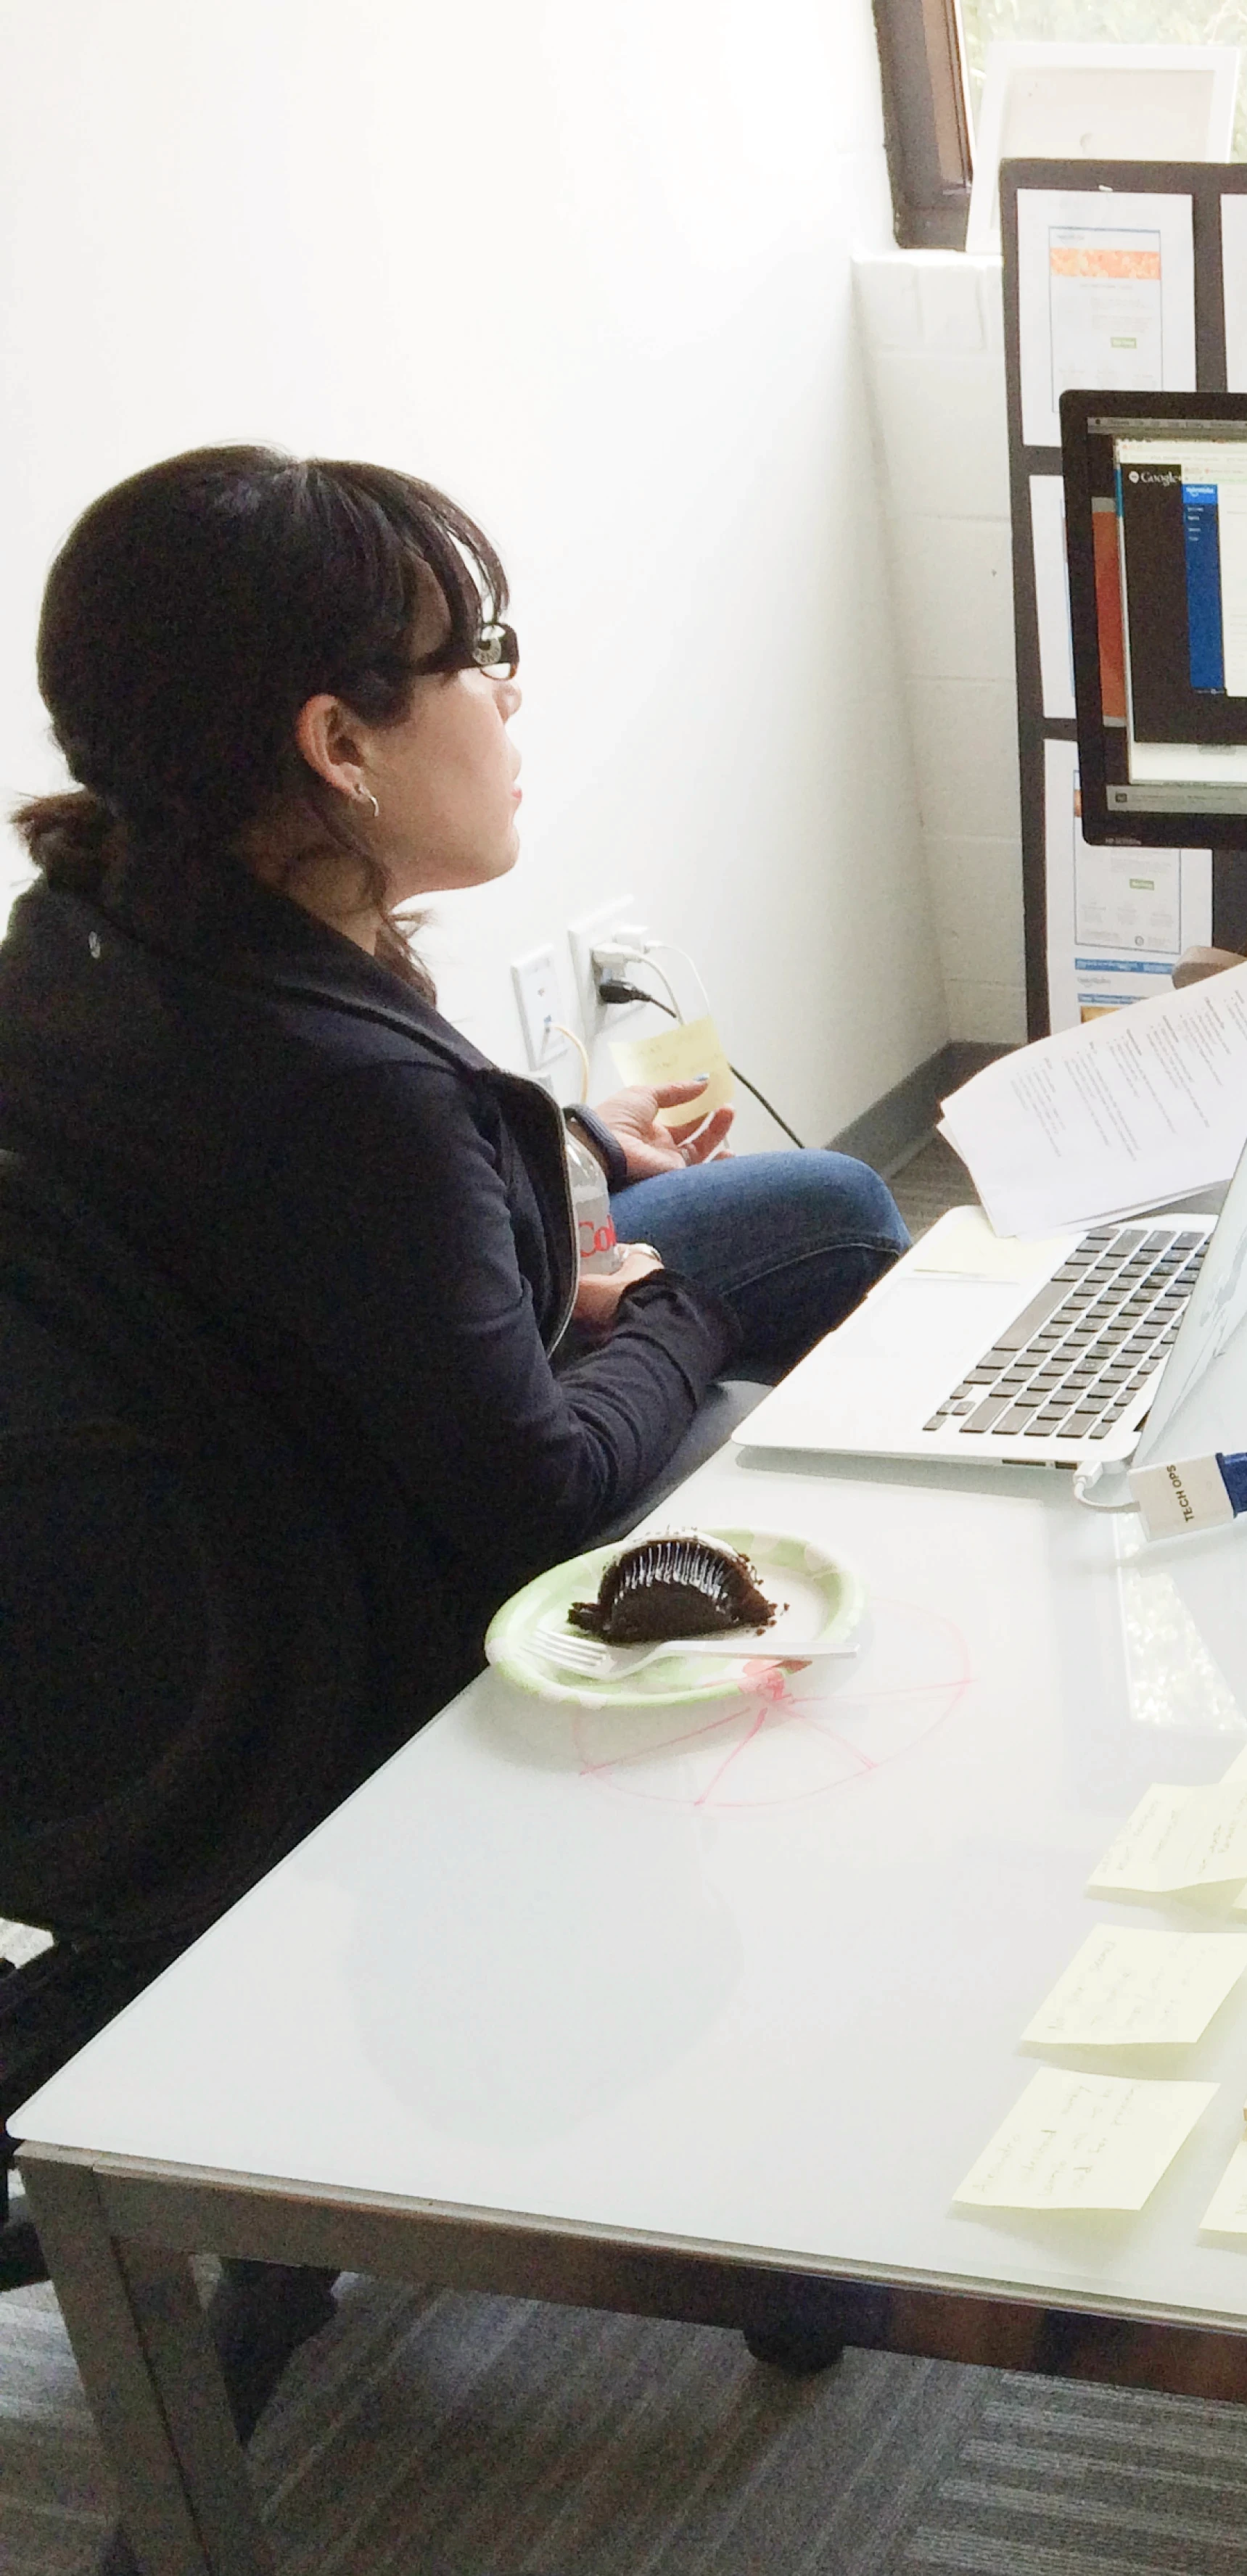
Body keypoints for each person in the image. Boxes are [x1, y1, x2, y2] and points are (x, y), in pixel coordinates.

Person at [0, 446, 906, 1870]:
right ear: (337, 746)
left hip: (250, 1494)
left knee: (838, 1206)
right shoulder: (354, 1108)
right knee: (779, 1317)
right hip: (390, 1609)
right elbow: (537, 1501)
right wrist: (679, 1312)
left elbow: (343, 1207)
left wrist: (555, 1155)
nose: (510, 690)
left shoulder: (95, 922)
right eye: (476, 656)